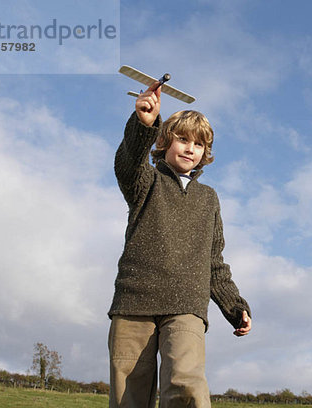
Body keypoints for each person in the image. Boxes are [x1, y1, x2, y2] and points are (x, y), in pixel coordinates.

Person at [107, 82, 252, 408]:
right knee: (128, 396)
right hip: (133, 304)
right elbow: (128, 164)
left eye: (199, 144)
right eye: (183, 139)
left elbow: (214, 260)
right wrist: (144, 123)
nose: (190, 148)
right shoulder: (146, 182)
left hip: (186, 305)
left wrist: (234, 306)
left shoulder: (208, 198)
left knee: (186, 385)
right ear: (163, 143)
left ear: (205, 152)